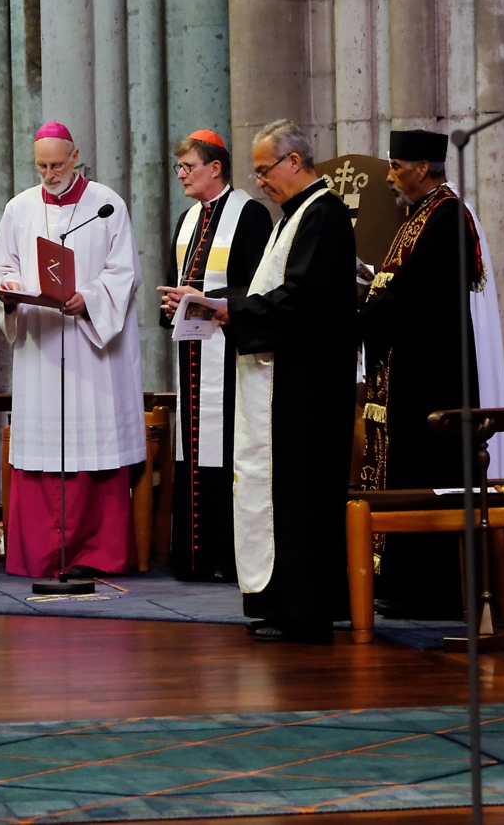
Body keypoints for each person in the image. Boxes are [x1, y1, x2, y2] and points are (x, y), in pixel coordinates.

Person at [359, 129, 504, 618]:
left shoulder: (447, 217)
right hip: (409, 371)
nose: (390, 173)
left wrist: (359, 317)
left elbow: (417, 293)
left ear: (422, 167)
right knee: (403, 469)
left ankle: (428, 591)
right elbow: (400, 284)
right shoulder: (419, 216)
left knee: (426, 472)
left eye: (397, 164)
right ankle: (402, 582)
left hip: (432, 376)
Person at [0, 122, 146, 579]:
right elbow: (3, 267)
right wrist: (12, 291)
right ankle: (41, 554)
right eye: (41, 166)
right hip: (40, 344)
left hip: (89, 348)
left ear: (75, 156)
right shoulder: (19, 209)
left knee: (92, 449)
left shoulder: (106, 205)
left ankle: (97, 554)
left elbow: (124, 271)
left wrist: (90, 298)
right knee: (44, 452)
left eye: (57, 164)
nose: (49, 173)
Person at [217, 119, 356, 642]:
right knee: (277, 494)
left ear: (293, 162)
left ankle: (305, 611)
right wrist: (226, 306)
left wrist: (230, 311)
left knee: (299, 497)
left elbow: (302, 300)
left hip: (307, 389)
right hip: (284, 384)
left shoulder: (324, 217)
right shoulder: (293, 217)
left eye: (263, 170)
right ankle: (279, 604)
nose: (260, 182)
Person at [156, 130, 272, 583]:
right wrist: (173, 304)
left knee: (226, 450)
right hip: (192, 354)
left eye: (188, 167)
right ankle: (193, 557)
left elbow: (260, 288)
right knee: (193, 449)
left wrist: (206, 297)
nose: (181, 175)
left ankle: (227, 556)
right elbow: (174, 277)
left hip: (230, 353)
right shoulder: (187, 220)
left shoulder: (251, 215)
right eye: (179, 167)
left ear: (215, 168)